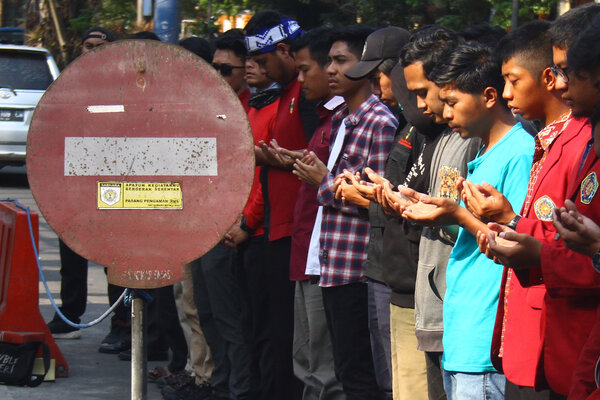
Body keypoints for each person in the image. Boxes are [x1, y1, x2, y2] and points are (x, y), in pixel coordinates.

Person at [472, 5, 600, 397]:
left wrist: (525, 239)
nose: (561, 84)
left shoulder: (579, 138)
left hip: (571, 339)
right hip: (550, 343)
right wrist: (508, 223)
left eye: (567, 72)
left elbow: (570, 246)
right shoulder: (558, 137)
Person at [399, 43, 534, 400]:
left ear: (490, 96)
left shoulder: (519, 152)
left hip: (484, 338)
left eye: (453, 102)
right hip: (463, 334)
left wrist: (457, 214)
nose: (444, 113)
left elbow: (515, 241)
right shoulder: (486, 152)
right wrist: (436, 211)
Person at [338, 25, 429, 400]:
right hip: (383, 267)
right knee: (388, 380)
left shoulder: (425, 127)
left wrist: (371, 199)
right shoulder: (408, 125)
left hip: (410, 275)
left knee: (407, 384)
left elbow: (422, 203)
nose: (375, 88)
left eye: (378, 76)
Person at [311, 24, 396, 400]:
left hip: (358, 267)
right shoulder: (345, 117)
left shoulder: (380, 122)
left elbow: (376, 200)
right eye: (328, 61)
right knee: (346, 366)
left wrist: (322, 180)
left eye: (340, 61)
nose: (331, 69)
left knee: (361, 371)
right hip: (334, 262)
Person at [244, 10, 318, 398]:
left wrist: (275, 158)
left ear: (285, 51)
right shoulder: (282, 93)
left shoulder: (306, 93)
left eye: (265, 61)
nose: (262, 70)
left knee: (290, 340)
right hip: (278, 229)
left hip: (298, 232)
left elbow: (321, 156)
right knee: (270, 332)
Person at [272, 26, 346, 400]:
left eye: (306, 69)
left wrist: (321, 177)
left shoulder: (353, 121)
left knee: (324, 367)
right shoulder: (324, 117)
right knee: (306, 360)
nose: (302, 79)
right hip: (306, 253)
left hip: (327, 260)